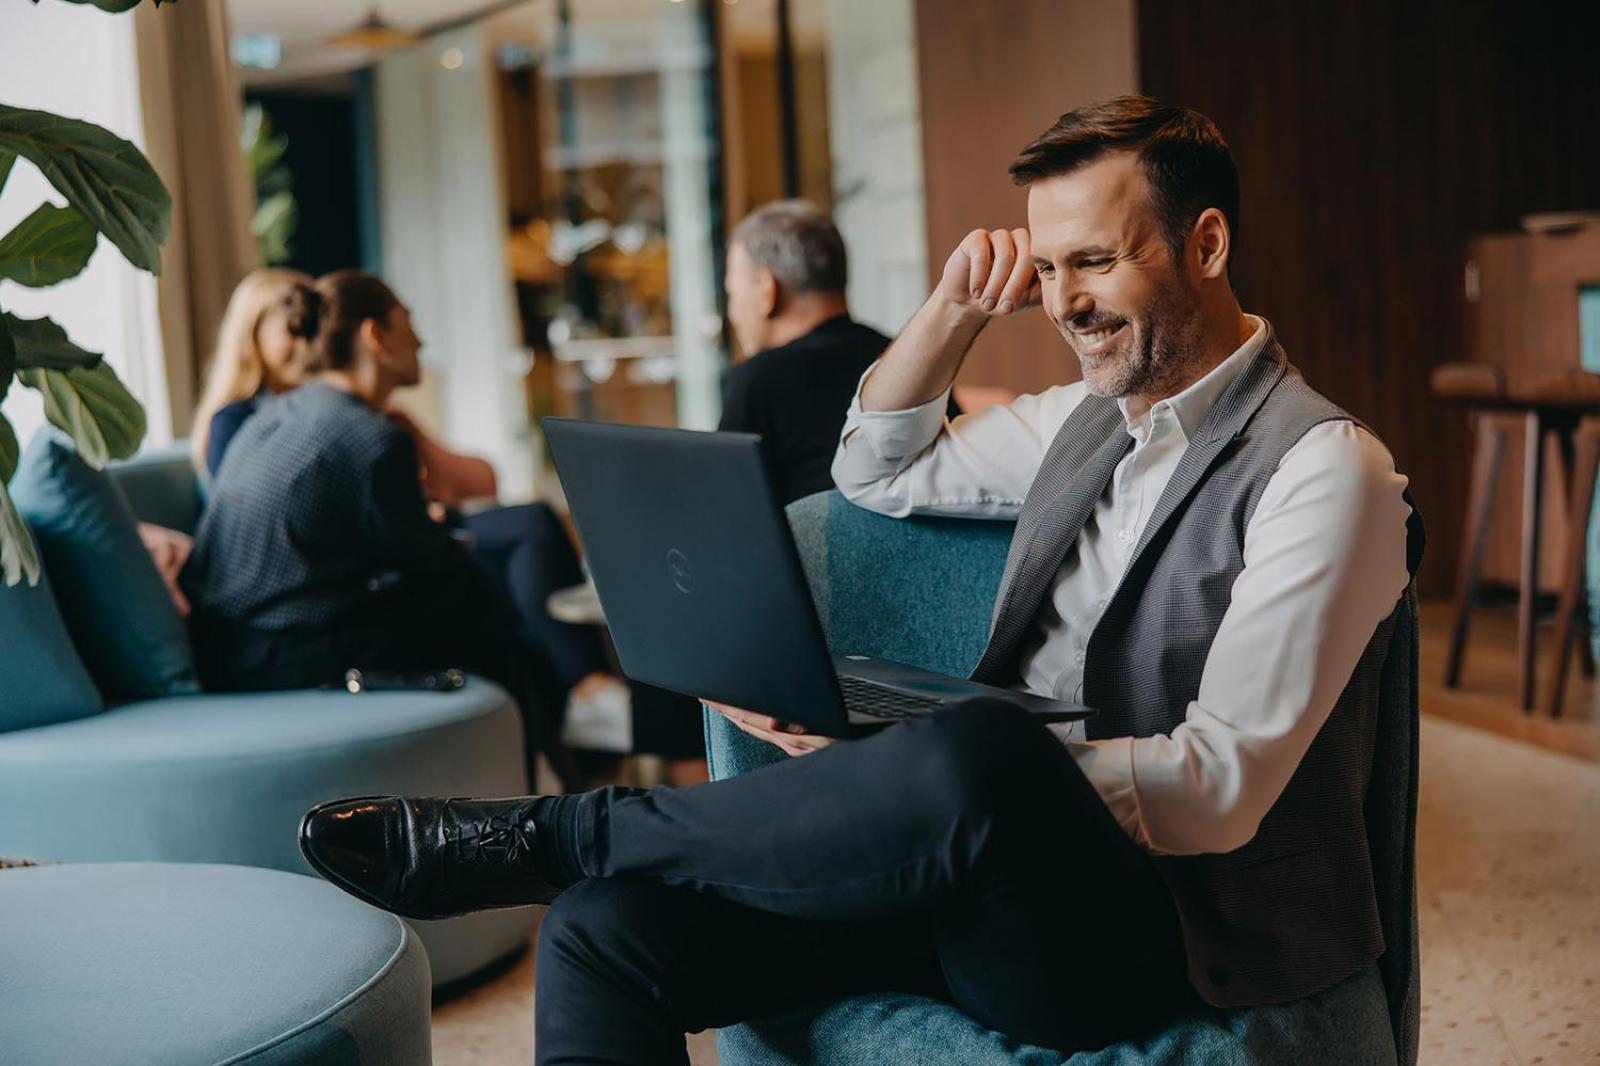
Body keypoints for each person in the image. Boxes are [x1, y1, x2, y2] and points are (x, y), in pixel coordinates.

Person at [297, 97, 1420, 1063]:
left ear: (1207, 244)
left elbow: (1219, 785)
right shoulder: (1080, 422)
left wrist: (959, 763)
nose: (1064, 301)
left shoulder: (1329, 470)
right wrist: (952, 310)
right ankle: (593, 860)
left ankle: (560, 831)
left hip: (1160, 931)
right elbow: (874, 470)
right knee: (603, 928)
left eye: (1095, 260)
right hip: (960, 864)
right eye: (1046, 267)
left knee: (983, 747)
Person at [180, 270, 577, 786]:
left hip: (225, 645)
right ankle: (546, 799)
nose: (421, 341)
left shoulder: (278, 414)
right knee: (485, 611)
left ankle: (538, 787)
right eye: (408, 324)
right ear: (376, 337)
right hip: (282, 651)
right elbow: (428, 562)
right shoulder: (371, 437)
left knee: (473, 593)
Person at [719, 199, 958, 505]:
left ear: (767, 290)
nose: (733, 312)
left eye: (733, 294)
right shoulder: (905, 359)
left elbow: (720, 509)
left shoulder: (758, 379)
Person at [191, 268, 310, 476]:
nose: (308, 345)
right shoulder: (230, 421)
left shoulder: (315, 405)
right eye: (295, 329)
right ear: (253, 335)